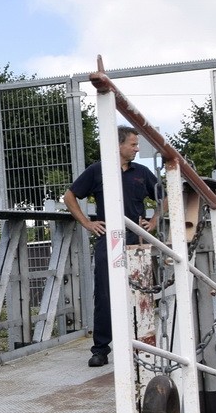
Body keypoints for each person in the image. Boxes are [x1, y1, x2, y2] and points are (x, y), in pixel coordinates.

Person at [63, 125, 159, 367]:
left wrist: (154, 221)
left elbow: (164, 195)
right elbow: (69, 196)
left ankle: (144, 346)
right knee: (105, 293)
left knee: (142, 293)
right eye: (133, 144)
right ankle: (101, 350)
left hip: (136, 238)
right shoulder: (97, 171)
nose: (137, 149)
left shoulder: (142, 172)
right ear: (118, 145)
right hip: (110, 239)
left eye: (137, 144)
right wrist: (87, 223)